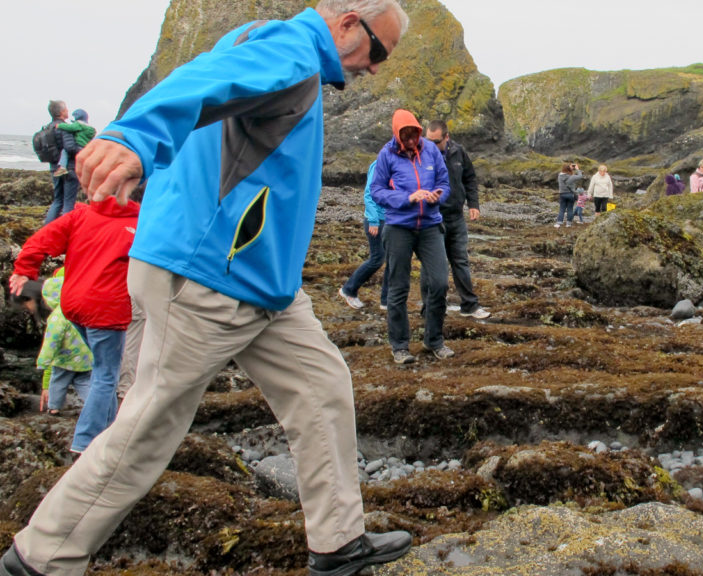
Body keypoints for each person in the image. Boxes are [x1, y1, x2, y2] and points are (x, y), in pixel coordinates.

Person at [0, 3, 414, 576]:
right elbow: (203, 84)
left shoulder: (278, 49)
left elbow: (213, 95)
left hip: (262, 284)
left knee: (322, 387)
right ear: (347, 22)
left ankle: (338, 542)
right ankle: (37, 558)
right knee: (148, 429)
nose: (376, 67)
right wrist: (132, 137)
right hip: (207, 276)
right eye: (379, 50)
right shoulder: (293, 50)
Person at [11, 191, 139, 454]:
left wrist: (24, 271)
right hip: (107, 310)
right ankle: (86, 441)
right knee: (106, 375)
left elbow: (39, 241)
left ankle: (110, 427)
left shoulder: (82, 214)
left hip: (72, 305)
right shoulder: (141, 225)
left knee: (102, 367)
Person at [372, 109, 452, 364]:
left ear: (419, 131)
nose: (410, 140)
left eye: (413, 134)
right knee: (398, 288)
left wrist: (438, 194)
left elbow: (445, 183)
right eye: (404, 135)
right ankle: (400, 346)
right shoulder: (386, 154)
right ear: (396, 134)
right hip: (398, 227)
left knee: (439, 283)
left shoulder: (430, 150)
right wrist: (406, 198)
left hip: (430, 225)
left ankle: (433, 340)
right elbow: (377, 190)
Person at [425, 119, 490, 319]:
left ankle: (469, 305)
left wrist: (473, 205)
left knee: (460, 261)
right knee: (435, 265)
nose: (431, 145)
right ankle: (431, 308)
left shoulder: (458, 152)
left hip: (456, 217)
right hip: (433, 218)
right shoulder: (423, 153)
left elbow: (469, 178)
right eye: (428, 140)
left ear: (447, 137)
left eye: (436, 141)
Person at [37, 268, 93, 416]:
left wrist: (44, 361)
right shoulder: (80, 309)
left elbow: (51, 342)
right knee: (84, 382)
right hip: (85, 357)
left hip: (65, 359)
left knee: (58, 382)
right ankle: (92, 406)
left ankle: (54, 407)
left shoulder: (57, 317)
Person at [339, 160, 389, 311]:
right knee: (377, 259)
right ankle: (348, 289)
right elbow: (369, 194)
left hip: (390, 220)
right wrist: (373, 220)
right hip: (376, 221)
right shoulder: (379, 164)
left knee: (393, 260)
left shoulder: (396, 164)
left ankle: (387, 301)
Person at [42, 100, 82, 224]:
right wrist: (85, 150)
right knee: (68, 202)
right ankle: (66, 231)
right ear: (60, 112)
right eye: (66, 109)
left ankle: (47, 229)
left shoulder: (48, 127)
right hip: (68, 169)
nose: (67, 111)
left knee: (57, 200)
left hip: (54, 167)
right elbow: (70, 147)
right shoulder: (65, 128)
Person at [54, 109, 96, 177]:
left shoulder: (79, 124)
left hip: (78, 145)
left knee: (64, 151)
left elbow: (70, 127)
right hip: (85, 148)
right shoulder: (90, 128)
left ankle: (63, 167)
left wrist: (59, 125)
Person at [555, 162, 583, 228]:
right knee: (570, 209)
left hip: (562, 194)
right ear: (569, 169)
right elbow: (580, 176)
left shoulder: (560, 176)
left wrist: (570, 168)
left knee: (562, 209)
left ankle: (559, 222)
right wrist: (577, 169)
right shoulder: (571, 177)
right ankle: (568, 223)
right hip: (570, 194)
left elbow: (564, 172)